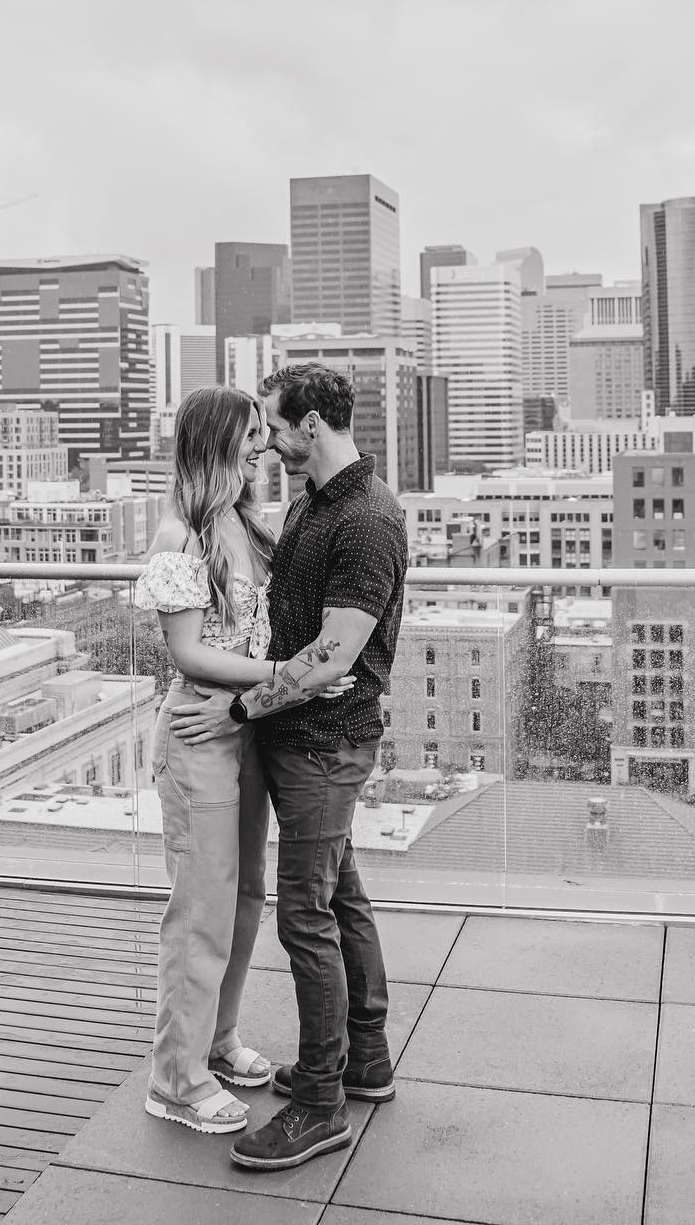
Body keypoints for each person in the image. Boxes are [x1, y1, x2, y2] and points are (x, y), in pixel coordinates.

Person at [170, 361, 408, 1172]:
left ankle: (319, 1104)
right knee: (340, 898)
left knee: (304, 916)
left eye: (274, 426)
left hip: (324, 743)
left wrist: (238, 707)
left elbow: (331, 653)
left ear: (311, 425)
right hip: (301, 738)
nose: (267, 441)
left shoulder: (367, 519)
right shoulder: (315, 502)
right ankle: (362, 1062)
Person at [136, 385, 351, 1135]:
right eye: (253, 436)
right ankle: (176, 1078)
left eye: (266, 435)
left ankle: (217, 1042)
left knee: (246, 897)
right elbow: (190, 651)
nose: (263, 448)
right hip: (200, 734)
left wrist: (284, 677)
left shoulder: (241, 522)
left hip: (244, 728)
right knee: (201, 911)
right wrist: (293, 672)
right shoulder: (181, 535)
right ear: (219, 441)